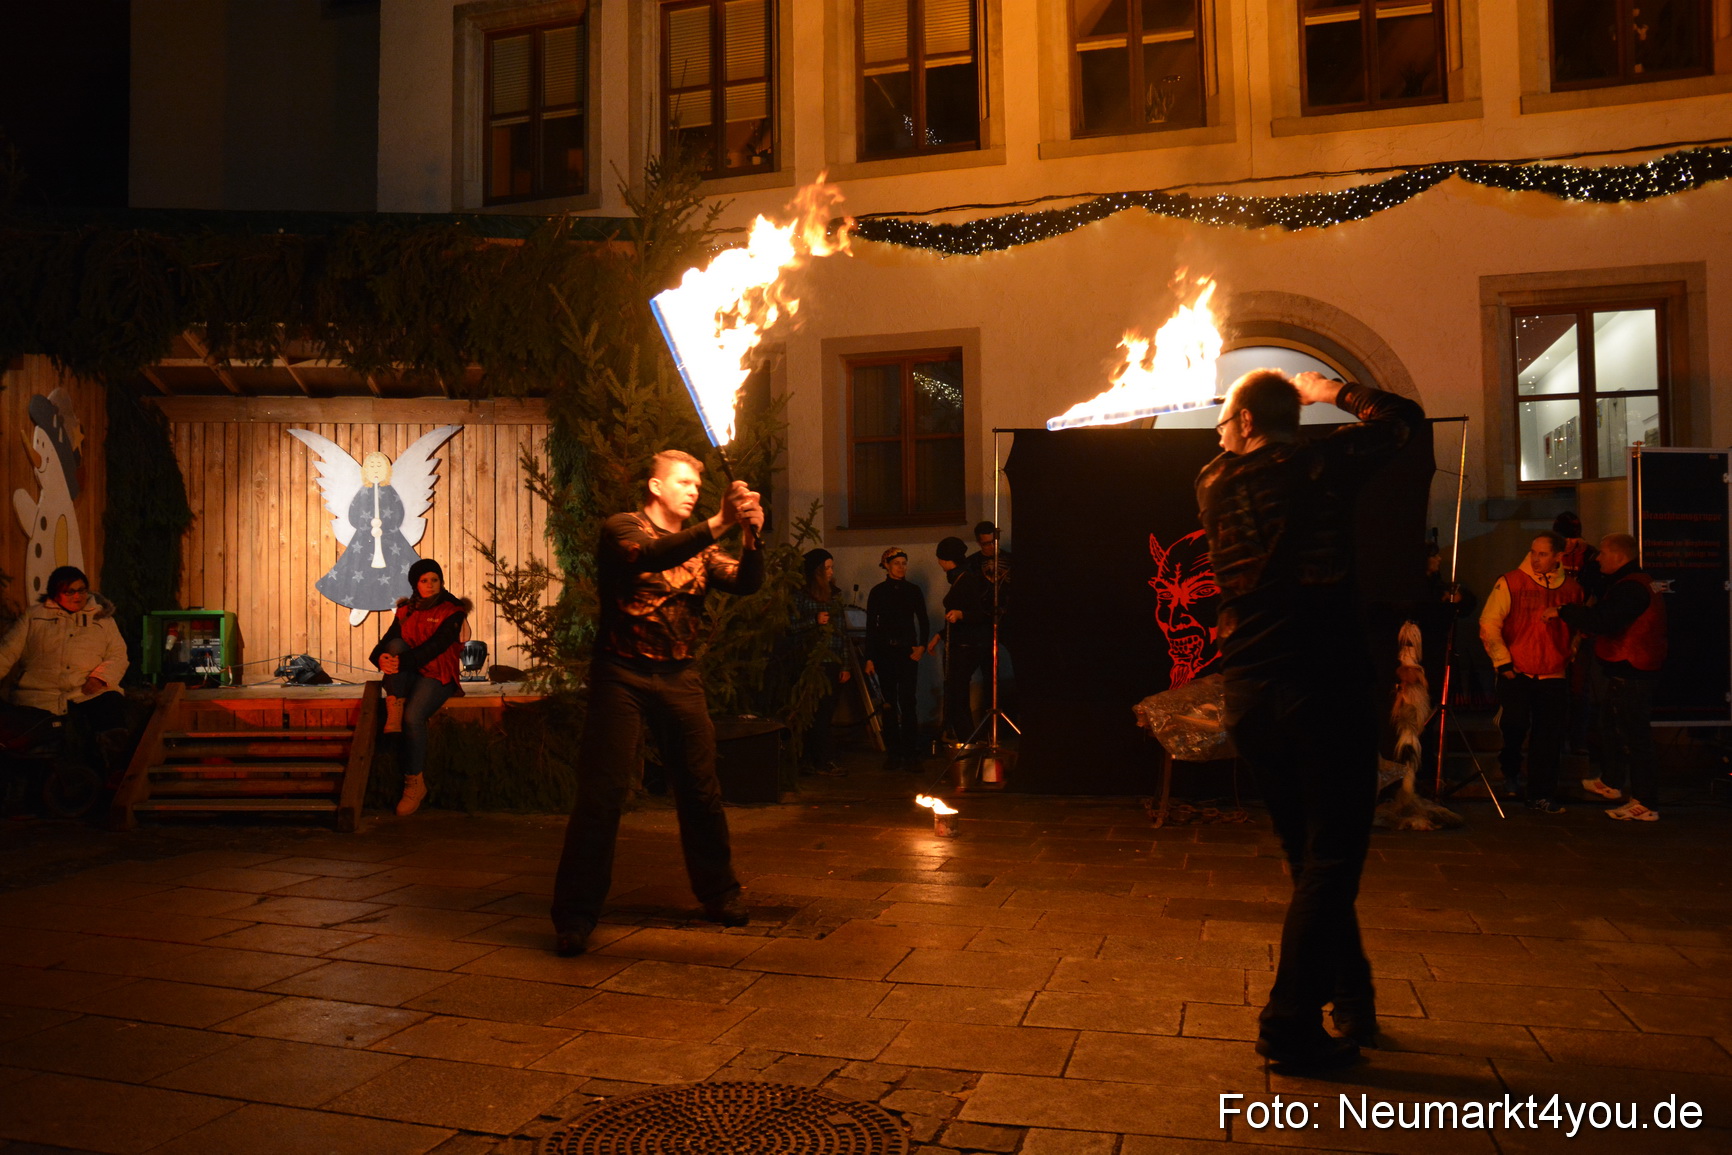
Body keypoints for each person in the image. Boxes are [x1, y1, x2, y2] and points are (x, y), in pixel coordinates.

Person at [1196, 368, 1424, 1070]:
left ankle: (1353, 999)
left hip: (1250, 693)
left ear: (1249, 425)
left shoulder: (1212, 482)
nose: (1217, 430)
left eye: (1227, 417)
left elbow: (1247, 445)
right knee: (1332, 857)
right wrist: (1332, 391)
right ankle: (1288, 1024)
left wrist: (1284, 405)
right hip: (1317, 685)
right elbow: (1403, 422)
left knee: (1313, 858)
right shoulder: (1318, 463)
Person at [550, 450, 764, 957]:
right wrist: (720, 521)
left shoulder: (704, 551)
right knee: (602, 793)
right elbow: (648, 557)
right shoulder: (623, 527)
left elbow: (747, 583)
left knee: (701, 789)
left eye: (698, 483)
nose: (694, 489)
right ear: (655, 486)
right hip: (620, 675)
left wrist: (751, 535)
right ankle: (575, 915)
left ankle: (719, 893)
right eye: (684, 481)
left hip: (679, 675)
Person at [1551, 533, 1667, 821]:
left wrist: (1565, 611)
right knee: (1610, 726)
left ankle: (1645, 802)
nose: (1598, 558)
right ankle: (1612, 782)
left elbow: (1604, 620)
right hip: (1626, 667)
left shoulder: (1631, 589)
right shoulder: (1634, 583)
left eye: (1602, 553)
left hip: (1634, 669)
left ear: (1619, 556)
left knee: (1634, 736)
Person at [1478, 532, 1583, 814]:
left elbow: (1577, 630)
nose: (1535, 558)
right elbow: (1490, 622)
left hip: (1552, 673)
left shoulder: (1572, 588)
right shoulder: (1511, 582)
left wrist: (1566, 658)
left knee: (1548, 737)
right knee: (1514, 725)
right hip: (1518, 671)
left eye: (1543, 554)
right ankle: (1511, 771)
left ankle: (1541, 793)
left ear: (1558, 557)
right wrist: (1503, 662)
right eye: (1533, 552)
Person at [0, 566, 129, 768]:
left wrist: (100, 678)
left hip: (86, 691)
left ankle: (115, 775)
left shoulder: (102, 620)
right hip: (40, 693)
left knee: (110, 712)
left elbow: (118, 655)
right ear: (55, 592)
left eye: (82, 590)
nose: (77, 596)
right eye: (70, 591)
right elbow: (7, 652)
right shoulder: (34, 617)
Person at [369, 559, 469, 817]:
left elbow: (436, 646)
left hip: (438, 672)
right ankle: (394, 706)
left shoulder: (453, 610)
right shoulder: (406, 609)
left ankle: (414, 783)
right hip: (410, 671)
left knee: (414, 716)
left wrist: (401, 662)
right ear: (416, 583)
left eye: (434, 580)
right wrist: (380, 658)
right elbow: (386, 641)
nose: (430, 585)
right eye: (424, 580)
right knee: (393, 647)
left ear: (441, 582)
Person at [865, 547, 928, 770]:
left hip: (907, 652)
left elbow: (923, 620)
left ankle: (910, 752)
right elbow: (871, 627)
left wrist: (921, 646)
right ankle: (894, 753)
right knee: (889, 702)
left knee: (908, 701)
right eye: (897, 563)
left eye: (904, 562)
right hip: (885, 653)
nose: (901, 567)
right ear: (887, 566)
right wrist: (870, 657)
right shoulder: (878, 592)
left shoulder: (913, 590)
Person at [790, 548, 851, 775]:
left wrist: (845, 665)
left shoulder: (834, 595)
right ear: (816, 570)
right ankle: (814, 759)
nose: (831, 572)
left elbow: (842, 632)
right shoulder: (801, 596)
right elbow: (790, 627)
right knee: (813, 713)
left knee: (827, 711)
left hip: (832, 661)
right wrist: (814, 621)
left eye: (831, 567)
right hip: (810, 663)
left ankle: (822, 758)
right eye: (827, 567)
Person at [933, 536, 991, 744]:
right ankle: (965, 737)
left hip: (967, 646)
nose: (939, 563)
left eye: (940, 559)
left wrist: (961, 615)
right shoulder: (965, 578)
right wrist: (940, 635)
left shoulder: (967, 580)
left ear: (947, 560)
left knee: (957, 695)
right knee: (957, 694)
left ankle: (967, 740)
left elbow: (982, 614)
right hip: (962, 644)